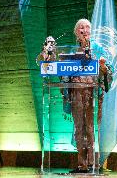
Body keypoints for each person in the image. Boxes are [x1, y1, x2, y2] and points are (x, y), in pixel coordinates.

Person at [40, 18, 113, 173]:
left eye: (87, 27)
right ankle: (82, 165)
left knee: (90, 128)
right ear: (76, 32)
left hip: (92, 92)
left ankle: (94, 164)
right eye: (81, 28)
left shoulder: (98, 48)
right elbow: (63, 71)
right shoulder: (71, 51)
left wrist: (103, 67)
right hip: (76, 92)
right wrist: (50, 59)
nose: (84, 30)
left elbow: (108, 69)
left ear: (91, 31)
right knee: (79, 128)